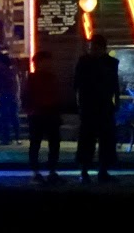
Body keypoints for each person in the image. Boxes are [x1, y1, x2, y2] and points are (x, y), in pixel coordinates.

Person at [72, 33, 120, 181]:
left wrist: (116, 101)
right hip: (95, 105)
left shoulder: (86, 62)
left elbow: (115, 84)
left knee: (98, 140)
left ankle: (94, 171)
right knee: (93, 139)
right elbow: (76, 84)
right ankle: (91, 171)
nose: (92, 49)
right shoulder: (108, 62)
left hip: (96, 105)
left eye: (94, 46)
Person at [24, 50, 65, 180]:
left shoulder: (48, 77)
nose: (49, 64)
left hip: (47, 113)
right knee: (40, 143)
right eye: (46, 61)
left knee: (50, 143)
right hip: (40, 113)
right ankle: (41, 171)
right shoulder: (36, 78)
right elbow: (27, 96)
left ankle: (47, 170)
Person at [0, 51, 20, 143]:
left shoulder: (2, 71)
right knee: (13, 116)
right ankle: (16, 137)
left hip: (6, 95)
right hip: (10, 95)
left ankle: (7, 138)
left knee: (5, 116)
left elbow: (2, 84)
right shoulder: (10, 70)